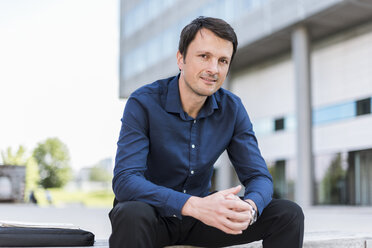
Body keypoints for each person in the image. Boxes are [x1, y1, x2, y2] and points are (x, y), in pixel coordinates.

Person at [110, 16, 304, 248]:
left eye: (223, 61)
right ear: (180, 58)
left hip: (202, 220)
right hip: (152, 217)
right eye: (204, 56)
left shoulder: (232, 108)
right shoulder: (143, 102)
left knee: (288, 214)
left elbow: (258, 177)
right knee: (131, 213)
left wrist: (250, 208)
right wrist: (192, 204)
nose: (213, 69)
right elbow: (125, 180)